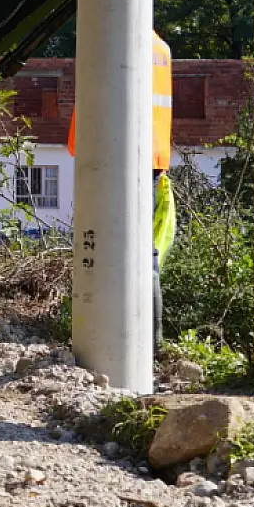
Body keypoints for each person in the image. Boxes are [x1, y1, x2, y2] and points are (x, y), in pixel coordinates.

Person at [68, 31, 174, 344]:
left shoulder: (115, 31)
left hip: (120, 156)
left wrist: (80, 146)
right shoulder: (161, 49)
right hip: (151, 156)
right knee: (142, 249)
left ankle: (122, 339)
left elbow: (95, 97)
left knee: (114, 243)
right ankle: (148, 341)